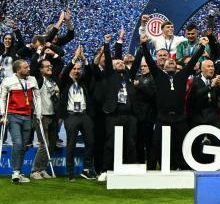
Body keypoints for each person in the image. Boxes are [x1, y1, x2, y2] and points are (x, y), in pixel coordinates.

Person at [141, 33, 207, 170]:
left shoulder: (182, 75)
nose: (171, 61)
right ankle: (152, 169)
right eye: (168, 61)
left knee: (182, 145)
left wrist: (202, 47)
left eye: (173, 61)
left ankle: (181, 168)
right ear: (163, 66)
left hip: (179, 118)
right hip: (162, 118)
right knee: (156, 144)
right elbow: (148, 59)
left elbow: (193, 61)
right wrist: (143, 45)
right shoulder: (158, 75)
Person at [98, 34, 139, 180]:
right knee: (110, 143)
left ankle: (131, 170)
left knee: (131, 143)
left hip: (130, 115)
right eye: (118, 63)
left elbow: (137, 60)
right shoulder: (110, 76)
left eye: (122, 62)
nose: (121, 63)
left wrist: (143, 46)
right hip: (113, 115)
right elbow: (108, 60)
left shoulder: (129, 77)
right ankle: (105, 171)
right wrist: (107, 43)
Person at [56, 46, 97, 181]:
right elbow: (66, 70)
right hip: (71, 116)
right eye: (75, 69)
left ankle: (86, 169)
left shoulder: (84, 82)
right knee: (71, 144)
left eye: (79, 69)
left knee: (90, 142)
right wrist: (74, 58)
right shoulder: (64, 82)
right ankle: (70, 172)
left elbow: (90, 71)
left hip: (85, 115)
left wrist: (84, 59)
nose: (77, 71)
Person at [1, 59, 40, 183]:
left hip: (28, 116)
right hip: (13, 116)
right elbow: (2, 98)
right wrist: (3, 115)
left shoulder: (32, 80)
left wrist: (38, 113)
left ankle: (19, 171)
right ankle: (15, 172)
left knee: (23, 145)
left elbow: (37, 97)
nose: (29, 69)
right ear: (18, 69)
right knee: (17, 143)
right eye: (26, 67)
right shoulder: (8, 81)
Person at [187, 59, 220, 165]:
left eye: (212, 66)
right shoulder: (195, 81)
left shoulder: (214, 80)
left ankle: (214, 166)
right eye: (209, 66)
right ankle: (196, 165)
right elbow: (197, 95)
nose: (212, 68)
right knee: (197, 145)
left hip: (213, 118)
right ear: (202, 69)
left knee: (215, 143)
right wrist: (210, 86)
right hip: (198, 118)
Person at [30, 58, 61, 179]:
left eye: (50, 66)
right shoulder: (39, 80)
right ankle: (34, 171)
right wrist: (39, 52)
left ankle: (43, 169)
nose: (50, 68)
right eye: (46, 66)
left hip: (53, 116)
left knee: (52, 145)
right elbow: (33, 69)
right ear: (40, 69)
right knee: (44, 144)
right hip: (41, 115)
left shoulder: (52, 81)